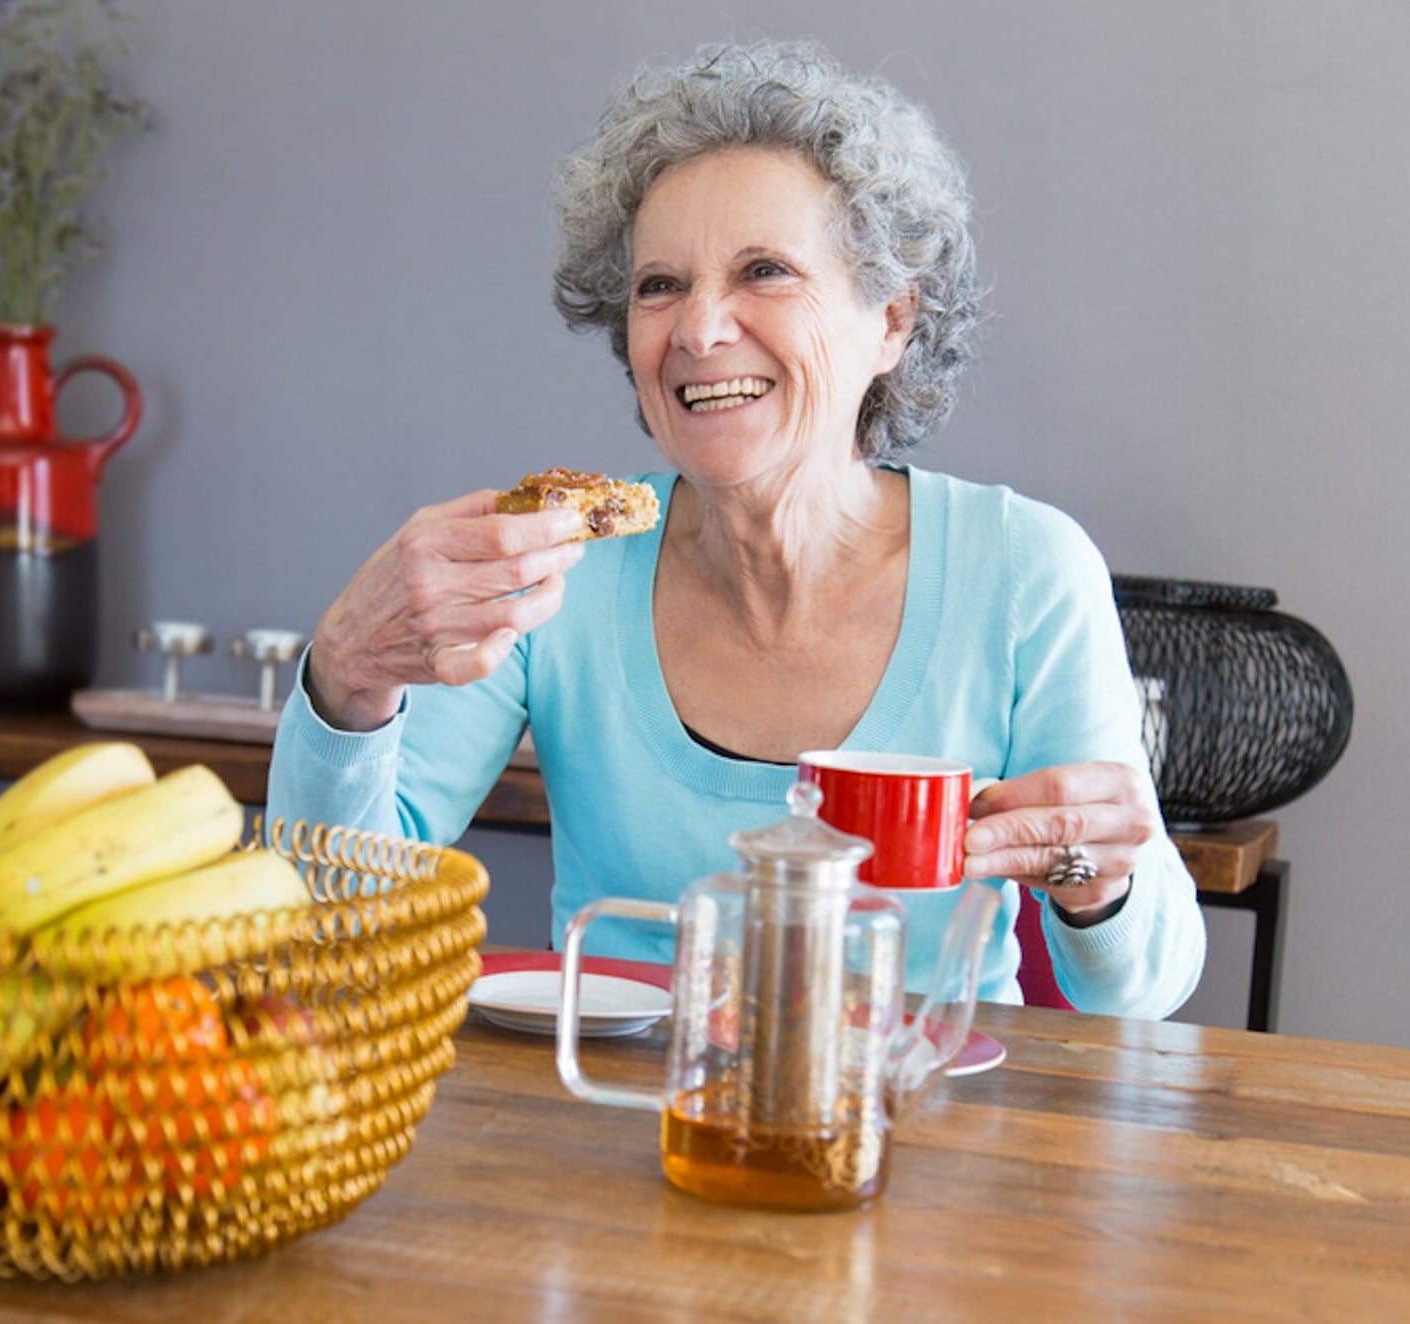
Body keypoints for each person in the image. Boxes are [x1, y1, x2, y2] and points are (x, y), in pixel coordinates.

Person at [267, 39, 1204, 1017]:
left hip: (925, 1128)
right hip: (610, 1119)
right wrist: (346, 675)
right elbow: (329, 922)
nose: (699, 329)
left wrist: (1101, 883)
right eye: (657, 285)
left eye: (762, 270)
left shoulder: (1021, 572)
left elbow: (1139, 994)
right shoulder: (562, 564)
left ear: (888, 319)